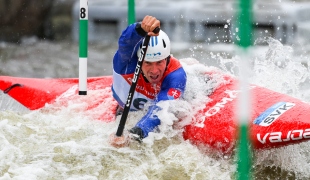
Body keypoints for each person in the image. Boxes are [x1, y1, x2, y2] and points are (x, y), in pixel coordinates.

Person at [109, 15, 187, 147]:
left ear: (167, 59)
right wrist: (139, 28)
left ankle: (190, 64)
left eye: (159, 62)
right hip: (125, 110)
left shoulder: (176, 74)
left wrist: (134, 135)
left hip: (152, 109)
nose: (155, 70)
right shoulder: (126, 64)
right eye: (148, 63)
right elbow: (125, 43)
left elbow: (161, 109)